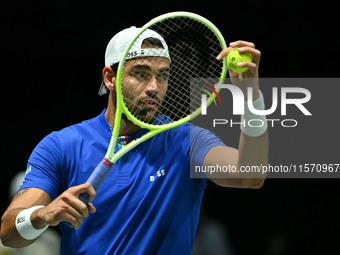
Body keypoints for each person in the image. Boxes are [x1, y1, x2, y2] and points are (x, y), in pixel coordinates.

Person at [1, 26, 268, 254]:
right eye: (140, 73)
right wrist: (42, 216)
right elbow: (8, 233)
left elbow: (250, 175)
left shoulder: (186, 140)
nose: (154, 86)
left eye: (162, 75)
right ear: (110, 78)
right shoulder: (62, 146)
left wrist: (252, 99)